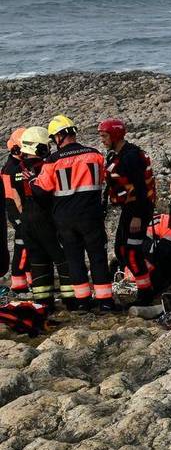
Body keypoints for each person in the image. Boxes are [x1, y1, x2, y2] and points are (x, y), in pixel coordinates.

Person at [33, 116, 114, 310]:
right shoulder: (95, 155)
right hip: (91, 216)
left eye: (54, 138)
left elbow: (42, 191)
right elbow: (104, 180)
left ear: (60, 136)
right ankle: (105, 302)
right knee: (98, 257)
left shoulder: (53, 161)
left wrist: (31, 182)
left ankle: (83, 302)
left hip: (65, 218)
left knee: (74, 259)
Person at [100, 119, 158, 303]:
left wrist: (137, 218)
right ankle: (148, 278)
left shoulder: (130, 156)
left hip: (138, 210)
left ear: (115, 135)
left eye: (104, 135)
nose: (102, 139)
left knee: (132, 252)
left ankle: (146, 292)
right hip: (130, 208)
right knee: (121, 249)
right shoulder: (116, 154)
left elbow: (140, 189)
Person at [15, 127, 72, 309]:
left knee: (38, 260)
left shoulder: (17, 169)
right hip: (45, 216)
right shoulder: (44, 167)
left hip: (27, 219)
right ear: (38, 148)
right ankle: (71, 300)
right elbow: (48, 191)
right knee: (62, 257)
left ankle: (43, 301)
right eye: (45, 146)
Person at [2, 130, 28, 299]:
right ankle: (19, 281)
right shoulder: (12, 168)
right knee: (23, 244)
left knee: (27, 245)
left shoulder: (16, 166)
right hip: (17, 211)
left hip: (18, 211)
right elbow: (13, 196)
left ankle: (24, 279)